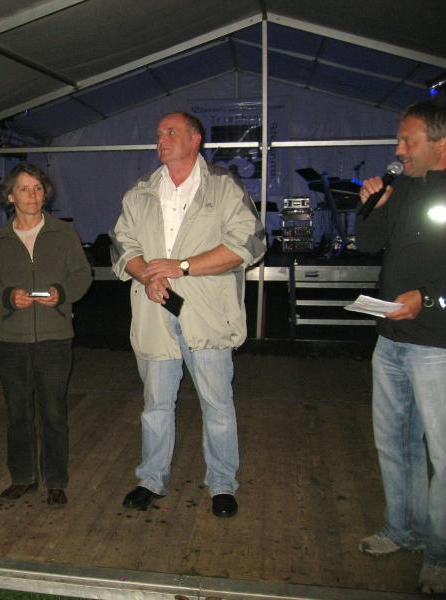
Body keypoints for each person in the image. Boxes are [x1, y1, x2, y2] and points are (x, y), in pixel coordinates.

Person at [109, 111, 265, 517]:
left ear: (196, 139)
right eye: (158, 133)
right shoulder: (140, 191)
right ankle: (151, 479)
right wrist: (146, 275)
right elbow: (121, 244)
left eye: (171, 132)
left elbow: (248, 244)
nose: (161, 139)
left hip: (207, 314)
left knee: (217, 405)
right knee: (155, 406)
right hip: (154, 312)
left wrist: (182, 267)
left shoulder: (224, 187)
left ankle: (222, 484)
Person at [355, 100, 446, 595]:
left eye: (408, 140)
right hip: (390, 340)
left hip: (438, 347)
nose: (398, 149)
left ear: (441, 143)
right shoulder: (404, 186)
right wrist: (373, 203)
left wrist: (427, 300)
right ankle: (402, 529)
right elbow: (368, 243)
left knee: (443, 457)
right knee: (394, 443)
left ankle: (440, 555)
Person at [0, 163, 92, 507]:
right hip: (11, 339)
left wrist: (62, 293)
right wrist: (7, 297)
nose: (32, 195)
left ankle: (55, 480)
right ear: (10, 196)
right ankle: (23, 477)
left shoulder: (63, 233)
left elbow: (82, 275)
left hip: (55, 336)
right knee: (18, 413)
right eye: (24, 189)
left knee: (54, 412)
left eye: (38, 188)